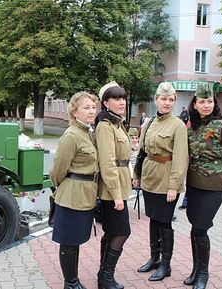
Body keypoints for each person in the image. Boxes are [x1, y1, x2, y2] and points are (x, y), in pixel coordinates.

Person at [183, 84, 222, 289]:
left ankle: (203, 274)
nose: (206, 105)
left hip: (214, 188)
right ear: (195, 104)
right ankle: (195, 270)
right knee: (194, 227)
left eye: (209, 101)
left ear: (214, 103)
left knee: (200, 228)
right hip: (193, 185)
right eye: (201, 101)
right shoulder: (192, 127)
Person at [132, 81, 188, 281]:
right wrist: (136, 175)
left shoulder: (178, 125)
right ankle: (154, 258)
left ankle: (166, 265)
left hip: (167, 179)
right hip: (149, 177)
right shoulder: (148, 123)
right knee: (153, 219)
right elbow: (141, 151)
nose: (167, 103)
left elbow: (181, 159)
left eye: (171, 99)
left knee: (164, 223)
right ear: (156, 100)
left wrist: (174, 185)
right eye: (163, 99)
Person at [49, 91, 99, 289]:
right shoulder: (71, 135)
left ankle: (73, 280)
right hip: (72, 196)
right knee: (69, 243)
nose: (91, 111)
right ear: (75, 112)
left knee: (76, 240)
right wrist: (64, 187)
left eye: (93, 107)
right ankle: (70, 283)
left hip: (86, 195)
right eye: (86, 107)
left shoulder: (88, 132)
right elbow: (57, 170)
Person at [95, 81, 133, 289]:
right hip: (112, 189)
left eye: (123, 98)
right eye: (116, 98)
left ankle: (103, 276)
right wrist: (116, 194)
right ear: (105, 103)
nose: (121, 102)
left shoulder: (117, 124)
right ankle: (106, 277)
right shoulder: (105, 126)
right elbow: (107, 163)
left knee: (111, 232)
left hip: (120, 185)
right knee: (121, 232)